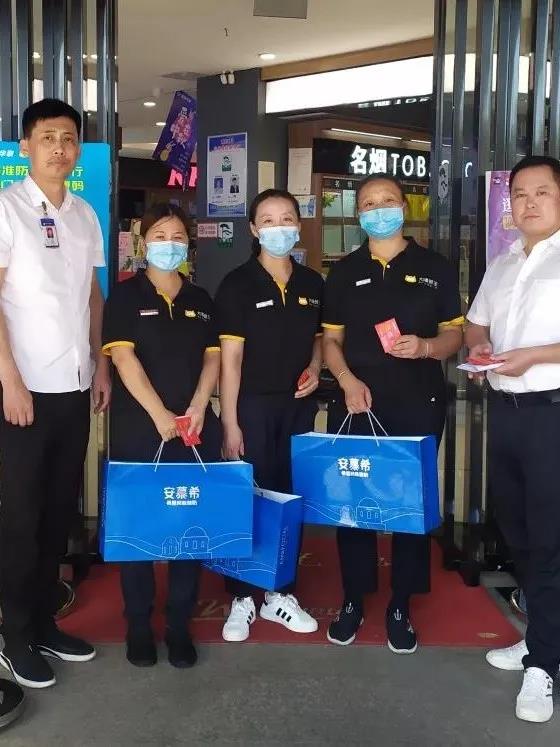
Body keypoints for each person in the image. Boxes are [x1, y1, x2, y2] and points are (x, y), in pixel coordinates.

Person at [322, 173, 463, 651]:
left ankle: (401, 601)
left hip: (418, 400)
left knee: (409, 502)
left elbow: (454, 334)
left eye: (386, 200)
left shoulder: (435, 268)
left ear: (404, 207)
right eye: (368, 203)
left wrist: (426, 347)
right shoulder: (344, 272)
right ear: (358, 214)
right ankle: (353, 598)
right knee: (354, 500)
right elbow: (331, 340)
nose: (378, 209)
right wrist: (346, 380)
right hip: (356, 401)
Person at [0, 98, 110, 689]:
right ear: (26, 147)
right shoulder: (7, 209)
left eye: (68, 139)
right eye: (47, 138)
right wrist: (10, 381)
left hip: (73, 385)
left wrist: (100, 365)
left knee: (57, 514)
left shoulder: (84, 214)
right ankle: (13, 636)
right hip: (22, 393)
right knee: (20, 518)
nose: (59, 149)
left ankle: (43, 623)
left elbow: (91, 296)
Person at [102, 203, 222, 668]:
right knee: (139, 525)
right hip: (139, 428)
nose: (168, 245)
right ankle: (138, 624)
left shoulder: (201, 298)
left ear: (188, 245)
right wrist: (158, 415)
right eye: (159, 236)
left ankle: (178, 625)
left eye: (177, 237)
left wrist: (198, 405)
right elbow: (123, 358)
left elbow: (212, 357)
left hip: (193, 428)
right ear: (142, 242)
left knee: (188, 523)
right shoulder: (125, 296)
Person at [466, 154, 560, 724]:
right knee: (518, 531)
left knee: (549, 539)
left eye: (542, 192)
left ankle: (544, 664)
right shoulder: (502, 262)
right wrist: (479, 345)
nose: (528, 202)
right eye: (520, 193)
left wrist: (535, 356)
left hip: (552, 413)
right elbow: (476, 321)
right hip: (505, 411)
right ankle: (541, 638)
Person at [215, 188, 323, 642]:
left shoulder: (313, 283)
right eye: (269, 220)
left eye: (287, 219)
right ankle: (242, 597)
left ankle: (280, 593)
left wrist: (315, 367)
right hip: (252, 406)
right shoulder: (237, 284)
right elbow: (230, 360)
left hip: (297, 406)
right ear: (254, 230)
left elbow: (319, 339)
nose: (279, 228)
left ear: (298, 225)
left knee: (289, 496)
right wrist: (230, 422)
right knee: (250, 495)